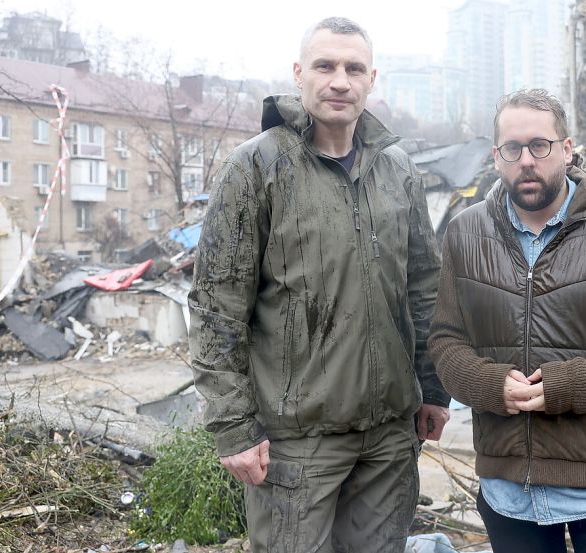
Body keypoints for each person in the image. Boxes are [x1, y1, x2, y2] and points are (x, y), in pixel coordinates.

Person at [188, 17, 450, 553]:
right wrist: (234, 428)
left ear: (371, 79)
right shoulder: (257, 166)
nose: (339, 81)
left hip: (388, 438)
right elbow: (217, 305)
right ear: (298, 73)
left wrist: (434, 387)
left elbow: (424, 288)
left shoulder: (397, 169)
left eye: (354, 68)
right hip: (295, 444)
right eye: (325, 66)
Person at [428, 89, 586, 553]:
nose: (527, 160)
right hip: (508, 489)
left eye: (540, 146)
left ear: (567, 150)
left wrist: (568, 387)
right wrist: (491, 386)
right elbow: (447, 341)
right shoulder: (464, 234)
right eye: (513, 148)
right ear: (496, 156)